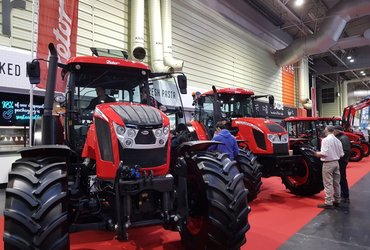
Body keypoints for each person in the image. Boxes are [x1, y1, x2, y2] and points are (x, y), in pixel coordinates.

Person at [314, 125, 344, 209]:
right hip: (336, 163)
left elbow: (324, 153)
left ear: (326, 130)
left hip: (328, 164)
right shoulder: (338, 141)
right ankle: (337, 200)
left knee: (328, 183)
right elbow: (342, 154)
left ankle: (328, 202)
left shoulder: (325, 140)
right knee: (336, 183)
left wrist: (317, 154)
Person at [334, 125, 351, 203]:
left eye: (334, 130)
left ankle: (345, 194)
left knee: (342, 178)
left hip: (341, 162)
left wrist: (339, 159)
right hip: (340, 161)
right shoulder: (341, 138)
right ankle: (343, 193)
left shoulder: (343, 138)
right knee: (340, 178)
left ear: (337, 131)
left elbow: (346, 151)